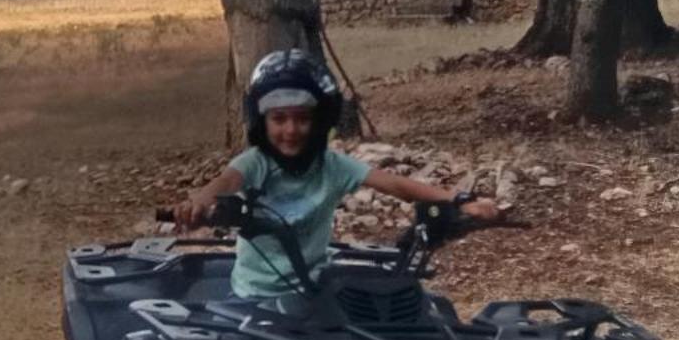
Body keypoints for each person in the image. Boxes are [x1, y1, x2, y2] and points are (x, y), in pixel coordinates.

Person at [172, 49, 504, 303]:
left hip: (315, 289)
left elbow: (396, 184)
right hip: (254, 296)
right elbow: (226, 182)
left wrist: (459, 200)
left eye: (303, 118)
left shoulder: (332, 165)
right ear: (263, 122)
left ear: (321, 121)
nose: (291, 129)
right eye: (279, 119)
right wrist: (200, 201)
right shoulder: (256, 163)